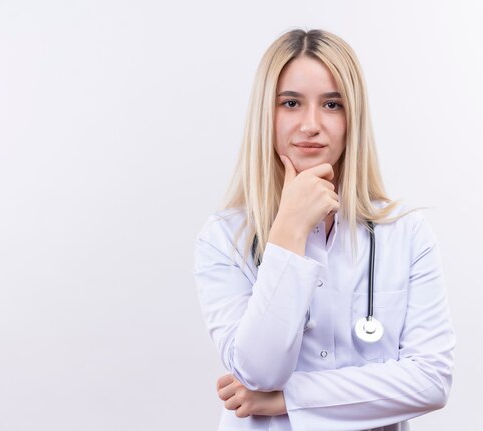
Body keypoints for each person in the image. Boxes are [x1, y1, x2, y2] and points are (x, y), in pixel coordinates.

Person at [193, 29, 455, 431]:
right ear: (267, 113)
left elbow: (431, 382)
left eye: (332, 104)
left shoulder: (406, 234)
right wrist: (289, 230)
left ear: (353, 119)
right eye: (291, 103)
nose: (311, 124)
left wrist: (284, 400)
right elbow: (259, 371)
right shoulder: (224, 238)